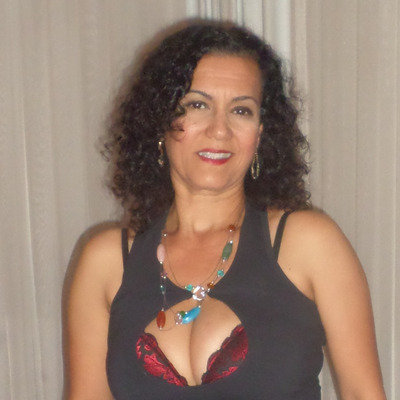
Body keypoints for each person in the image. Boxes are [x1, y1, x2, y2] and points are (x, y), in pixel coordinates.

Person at [65, 20, 386, 399]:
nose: (219, 130)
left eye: (241, 110)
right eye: (197, 105)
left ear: (261, 134)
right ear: (159, 123)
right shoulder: (106, 260)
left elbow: (364, 393)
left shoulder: (308, 242)